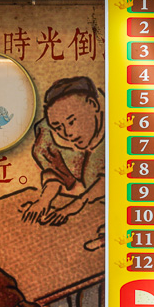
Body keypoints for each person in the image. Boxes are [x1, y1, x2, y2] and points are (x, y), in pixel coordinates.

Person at [21, 76, 105, 226]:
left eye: (72, 121)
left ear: (93, 104)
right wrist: (44, 200)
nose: (67, 133)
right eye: (58, 127)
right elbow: (55, 172)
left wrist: (73, 207)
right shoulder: (47, 132)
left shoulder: (125, 124)